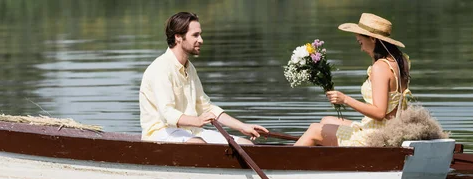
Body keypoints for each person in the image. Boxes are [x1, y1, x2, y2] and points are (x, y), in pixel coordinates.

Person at [139, 12, 268, 144]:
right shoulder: (161, 68)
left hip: (192, 133)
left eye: (200, 34)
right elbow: (167, 114)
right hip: (160, 133)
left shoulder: (190, 68)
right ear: (178, 37)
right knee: (199, 145)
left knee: (246, 144)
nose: (201, 40)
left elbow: (206, 107)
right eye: (195, 35)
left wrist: (243, 127)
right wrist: (197, 121)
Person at [294, 13, 412, 146]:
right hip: (390, 129)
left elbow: (379, 113)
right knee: (326, 121)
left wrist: (345, 99)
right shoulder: (401, 60)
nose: (361, 48)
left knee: (314, 130)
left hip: (378, 136)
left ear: (373, 39)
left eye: (360, 42)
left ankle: (283, 162)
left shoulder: (380, 67)